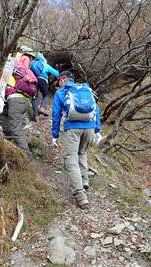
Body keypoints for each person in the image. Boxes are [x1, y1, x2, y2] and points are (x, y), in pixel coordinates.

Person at [51, 71, 101, 209]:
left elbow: (56, 114)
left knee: (71, 159)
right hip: (89, 128)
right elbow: (96, 108)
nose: (59, 85)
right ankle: (84, 181)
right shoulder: (85, 89)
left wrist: (54, 135)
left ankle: (80, 196)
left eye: (59, 82)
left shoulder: (62, 92)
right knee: (82, 153)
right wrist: (97, 130)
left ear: (62, 80)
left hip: (73, 128)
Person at [0, 58, 38, 159]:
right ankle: (10, 138)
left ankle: (27, 157)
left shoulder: (12, 67)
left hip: (16, 100)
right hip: (23, 101)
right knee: (2, 115)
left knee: (16, 127)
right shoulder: (25, 70)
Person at [30, 55, 59, 121]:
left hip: (33, 81)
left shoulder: (31, 64)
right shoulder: (45, 65)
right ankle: (43, 107)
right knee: (46, 95)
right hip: (42, 80)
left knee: (35, 97)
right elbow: (56, 73)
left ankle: (36, 115)